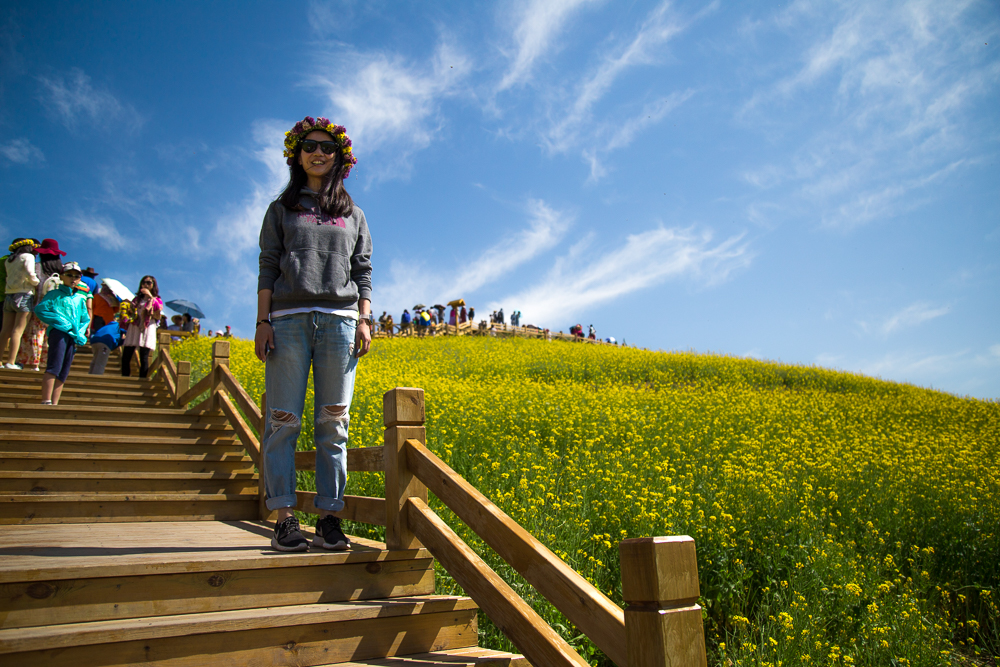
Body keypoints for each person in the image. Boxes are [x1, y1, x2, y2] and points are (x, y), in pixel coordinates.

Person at [255, 116, 371, 553]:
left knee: (333, 425)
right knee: (283, 423)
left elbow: (363, 271)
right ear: (296, 155)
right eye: (309, 146)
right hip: (287, 322)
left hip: (340, 324)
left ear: (339, 157)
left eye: (327, 147)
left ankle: (329, 517)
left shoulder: (354, 214)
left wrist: (364, 318)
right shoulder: (281, 209)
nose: (318, 153)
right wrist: (262, 321)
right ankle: (285, 519)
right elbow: (268, 265)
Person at [33, 262, 89, 404]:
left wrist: (80, 333)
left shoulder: (79, 299)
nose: (73, 278)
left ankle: (55, 402)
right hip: (58, 333)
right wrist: (60, 322)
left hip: (73, 336)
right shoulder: (54, 294)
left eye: (77, 276)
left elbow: (85, 318)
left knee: (64, 370)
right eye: (69, 275)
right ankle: (46, 400)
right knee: (54, 365)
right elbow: (41, 310)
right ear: (62, 276)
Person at [1, 238, 40, 369]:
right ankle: (11, 362)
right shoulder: (28, 257)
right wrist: (36, 283)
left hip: (9, 295)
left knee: (4, 331)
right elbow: (30, 273)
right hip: (24, 294)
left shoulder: (9, 260)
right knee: (17, 330)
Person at [121, 275, 163, 378]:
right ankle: (125, 377)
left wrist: (149, 296)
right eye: (144, 282)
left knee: (144, 355)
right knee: (126, 354)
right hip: (135, 326)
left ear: (153, 285)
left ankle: (142, 380)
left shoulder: (157, 299)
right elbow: (132, 311)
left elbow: (158, 308)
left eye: (149, 282)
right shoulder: (137, 299)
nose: (146, 284)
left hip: (147, 326)